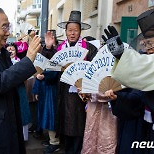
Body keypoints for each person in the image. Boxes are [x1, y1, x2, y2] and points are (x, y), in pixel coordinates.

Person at [0, 5, 41, 154]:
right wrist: (28, 59)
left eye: (9, 26)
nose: (9, 32)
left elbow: (12, 79)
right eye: (4, 27)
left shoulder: (2, 53)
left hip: (10, 123)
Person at [102, 8, 154, 153]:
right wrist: (118, 98)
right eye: (146, 44)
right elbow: (137, 97)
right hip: (144, 131)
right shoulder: (146, 64)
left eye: (152, 43)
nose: (149, 49)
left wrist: (122, 54)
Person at [44, 11, 98, 154]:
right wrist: (49, 48)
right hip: (64, 93)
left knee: (80, 127)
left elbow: (95, 69)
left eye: (75, 30)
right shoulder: (60, 48)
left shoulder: (89, 48)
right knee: (66, 126)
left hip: (82, 95)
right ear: (66, 32)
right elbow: (50, 67)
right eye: (70, 30)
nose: (72, 33)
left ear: (80, 31)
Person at [5, 42, 31, 141]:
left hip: (20, 90)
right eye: (8, 49)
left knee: (22, 112)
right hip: (8, 90)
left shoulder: (20, 62)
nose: (11, 51)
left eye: (13, 49)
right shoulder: (3, 62)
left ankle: (23, 137)